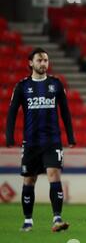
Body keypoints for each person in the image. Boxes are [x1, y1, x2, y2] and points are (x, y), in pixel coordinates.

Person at [6, 47, 76, 232]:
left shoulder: (56, 84)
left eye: (45, 60)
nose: (43, 63)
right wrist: (9, 135)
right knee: (29, 181)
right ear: (31, 63)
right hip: (30, 143)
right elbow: (12, 112)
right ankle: (28, 220)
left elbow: (66, 112)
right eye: (39, 60)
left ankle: (57, 219)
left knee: (54, 175)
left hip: (52, 141)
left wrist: (70, 136)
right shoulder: (22, 86)